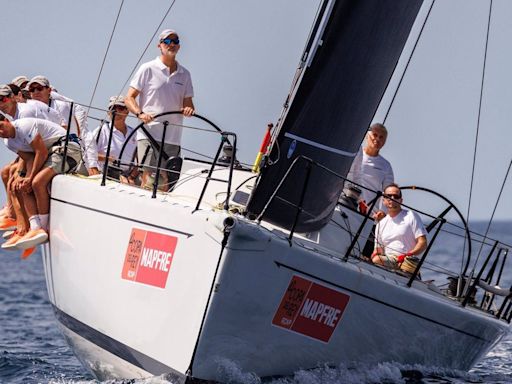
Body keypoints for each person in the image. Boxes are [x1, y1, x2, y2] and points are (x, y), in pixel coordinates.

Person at [125, 28, 194, 190]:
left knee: (165, 183)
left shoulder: (185, 74)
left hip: (173, 137)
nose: (171, 44)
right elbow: (129, 98)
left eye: (175, 42)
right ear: (160, 46)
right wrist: (140, 113)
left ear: (179, 47)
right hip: (149, 133)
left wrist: (188, 110)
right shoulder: (148, 68)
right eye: (167, 41)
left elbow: (189, 103)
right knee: (148, 179)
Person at [0, 115, 81, 249]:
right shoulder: (9, 142)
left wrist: (30, 177)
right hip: (50, 154)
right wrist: (24, 178)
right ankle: (35, 227)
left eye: (1, 126)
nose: (1, 132)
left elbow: (41, 152)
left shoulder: (24, 126)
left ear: (7, 121)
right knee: (21, 186)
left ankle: (43, 227)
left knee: (37, 182)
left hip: (67, 148)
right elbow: (30, 158)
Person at [372, 183, 428, 271]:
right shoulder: (380, 223)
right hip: (387, 260)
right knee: (374, 259)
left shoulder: (411, 215)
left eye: (395, 196)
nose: (392, 198)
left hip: (406, 261)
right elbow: (378, 250)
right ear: (383, 200)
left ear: (401, 200)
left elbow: (423, 243)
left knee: (377, 260)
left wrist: (407, 255)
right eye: (388, 196)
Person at [346, 123, 394, 219]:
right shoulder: (355, 153)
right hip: (347, 203)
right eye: (375, 135)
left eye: (381, 137)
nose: (377, 139)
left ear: (384, 142)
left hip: (370, 215)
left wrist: (383, 211)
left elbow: (388, 192)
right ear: (367, 136)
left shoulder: (386, 166)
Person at [91, 96, 138, 183]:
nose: (116, 112)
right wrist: (108, 158)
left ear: (127, 111)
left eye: (120, 108)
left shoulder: (134, 133)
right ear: (108, 113)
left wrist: (131, 177)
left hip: (130, 175)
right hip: (107, 172)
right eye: (112, 108)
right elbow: (89, 154)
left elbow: (140, 160)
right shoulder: (101, 131)